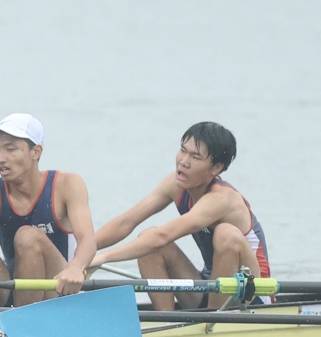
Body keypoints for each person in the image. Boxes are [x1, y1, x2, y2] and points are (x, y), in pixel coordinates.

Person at [92, 121, 272, 311]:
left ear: (216, 168)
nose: (184, 161)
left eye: (195, 157)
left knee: (225, 233)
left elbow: (163, 236)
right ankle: (166, 321)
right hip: (209, 288)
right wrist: (81, 254)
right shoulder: (176, 185)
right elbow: (126, 222)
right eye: (183, 150)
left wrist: (102, 258)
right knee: (148, 240)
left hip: (252, 296)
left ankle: (212, 321)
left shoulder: (222, 198)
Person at [0, 113, 95, 305]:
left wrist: (76, 267)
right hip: (14, 288)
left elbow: (87, 240)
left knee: (27, 236)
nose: (0, 159)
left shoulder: (68, 184)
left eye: (10, 149)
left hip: (59, 289)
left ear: (36, 152)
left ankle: (21, 316)